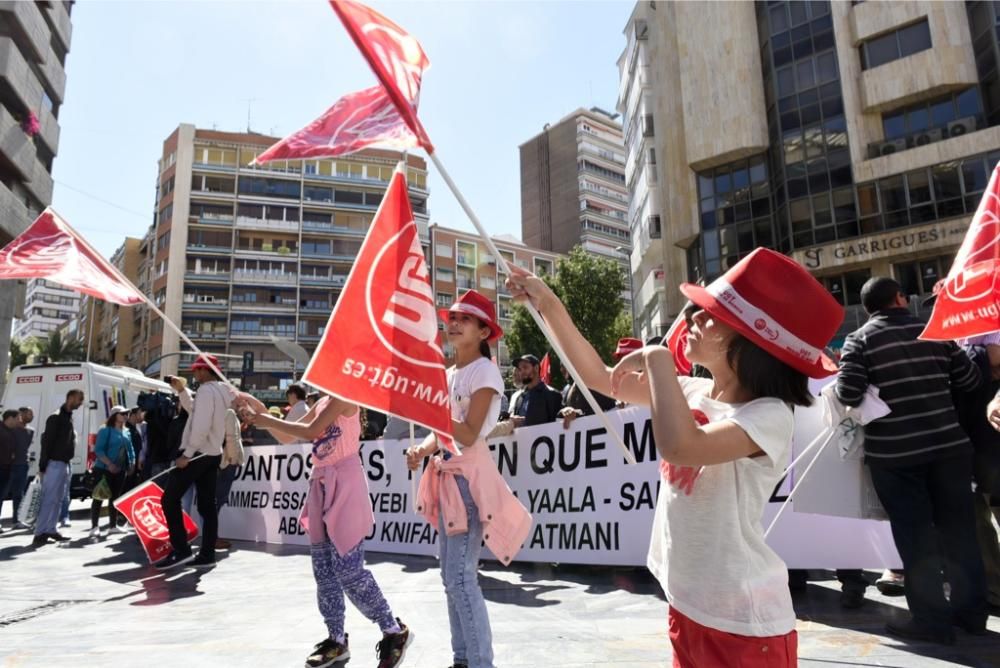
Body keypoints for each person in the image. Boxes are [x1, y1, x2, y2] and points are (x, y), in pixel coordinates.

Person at [507, 248, 843, 667]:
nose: (692, 320)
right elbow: (596, 376)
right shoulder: (692, 391)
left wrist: (658, 358)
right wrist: (548, 302)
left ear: (753, 341)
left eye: (710, 315)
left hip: (743, 625)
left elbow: (682, 446)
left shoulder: (769, 414)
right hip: (687, 606)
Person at [837, 276, 986, 643]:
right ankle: (971, 616)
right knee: (961, 533)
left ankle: (932, 622)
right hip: (950, 449)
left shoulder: (860, 340)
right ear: (900, 299)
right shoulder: (933, 332)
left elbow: (848, 393)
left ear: (869, 307)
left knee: (915, 536)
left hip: (896, 455)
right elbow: (970, 380)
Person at [406, 290, 532, 668]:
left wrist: (430, 414)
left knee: (460, 578)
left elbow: (469, 431)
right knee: (449, 578)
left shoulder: (486, 371)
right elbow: (444, 433)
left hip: (468, 482)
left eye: (465, 318)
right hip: (446, 477)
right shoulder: (448, 374)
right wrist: (423, 450)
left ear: (483, 332)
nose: (454, 322)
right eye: (453, 316)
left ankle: (479, 662)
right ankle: (462, 658)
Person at [239, 393, 412, 668]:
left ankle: (393, 629)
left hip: (345, 483)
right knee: (324, 571)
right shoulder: (323, 402)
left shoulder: (344, 396)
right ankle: (336, 640)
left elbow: (310, 431)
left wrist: (265, 419)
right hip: (321, 482)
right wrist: (261, 412)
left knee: (349, 570)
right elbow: (288, 436)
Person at [156, 354, 235, 570]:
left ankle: (181, 550)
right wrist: (181, 391)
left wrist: (187, 454)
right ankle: (207, 554)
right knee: (207, 506)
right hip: (212, 454)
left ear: (204, 370)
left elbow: (200, 424)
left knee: (169, 499)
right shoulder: (223, 391)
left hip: (198, 454)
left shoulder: (205, 391)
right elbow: (195, 410)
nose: (194, 373)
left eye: (197, 370)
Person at [33, 389, 84, 547]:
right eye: (79, 399)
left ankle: (51, 529)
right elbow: (46, 443)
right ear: (70, 398)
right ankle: (40, 533)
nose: (81, 402)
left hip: (63, 464)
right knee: (49, 500)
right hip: (54, 464)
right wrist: (43, 466)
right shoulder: (55, 417)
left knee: (58, 500)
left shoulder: (68, 418)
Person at [558, 337, 637, 429]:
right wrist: (566, 412)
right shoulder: (570, 390)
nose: (619, 365)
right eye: (618, 360)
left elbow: (608, 416)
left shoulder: (600, 384)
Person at [89, 406, 135, 539]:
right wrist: (109, 464)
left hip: (121, 470)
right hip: (104, 469)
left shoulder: (126, 431)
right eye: (123, 413)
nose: (126, 415)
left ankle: (113, 526)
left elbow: (130, 449)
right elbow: (99, 450)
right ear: (115, 415)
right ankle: (94, 527)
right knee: (99, 497)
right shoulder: (105, 430)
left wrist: (132, 462)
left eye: (127, 413)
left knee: (115, 498)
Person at [509, 354, 562, 427]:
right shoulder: (520, 397)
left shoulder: (552, 394)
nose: (521, 372)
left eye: (525, 367)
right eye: (520, 369)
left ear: (536, 368)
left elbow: (558, 424)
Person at [9, 408, 34, 529]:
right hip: (9, 465)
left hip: (22, 465)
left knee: (19, 494)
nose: (31, 416)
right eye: (29, 414)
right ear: (21, 415)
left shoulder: (30, 431)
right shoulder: (11, 430)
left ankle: (17, 520)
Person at [0, 410, 20, 532]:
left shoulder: (13, 431)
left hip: (7, 469)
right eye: (17, 418)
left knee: (1, 496)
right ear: (10, 418)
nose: (19, 421)